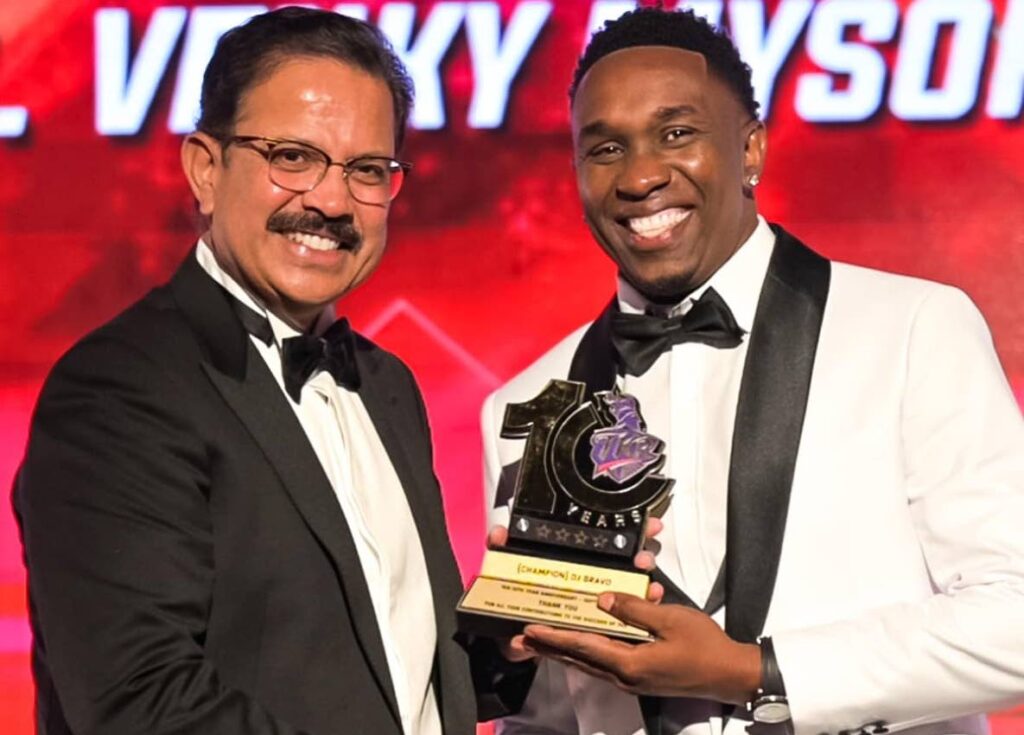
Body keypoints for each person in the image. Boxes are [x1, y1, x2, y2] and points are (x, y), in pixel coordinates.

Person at [482, 7, 1024, 735]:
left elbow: (1013, 619)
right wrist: (511, 649)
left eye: (677, 133)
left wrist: (757, 672)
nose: (640, 175)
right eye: (605, 147)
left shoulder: (912, 330)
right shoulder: (533, 406)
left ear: (751, 151)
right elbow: (549, 719)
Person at [13, 8, 527, 734]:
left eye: (367, 170)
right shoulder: (117, 392)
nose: (330, 200)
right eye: (292, 156)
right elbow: (143, 704)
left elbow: (391, 667)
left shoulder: (385, 385)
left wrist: (528, 622)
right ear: (206, 169)